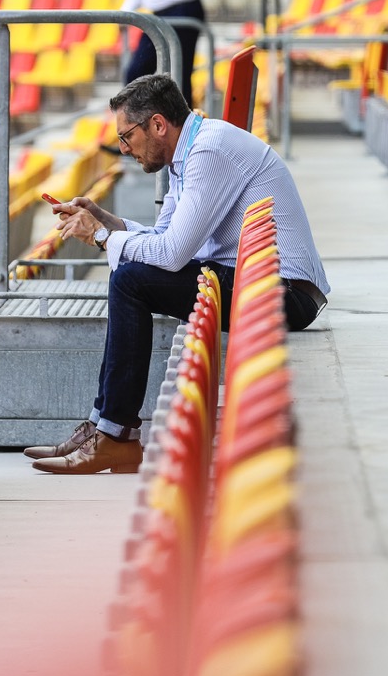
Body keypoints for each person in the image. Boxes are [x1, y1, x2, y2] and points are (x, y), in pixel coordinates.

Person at [25, 74, 330, 475]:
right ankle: (105, 426)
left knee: (130, 280)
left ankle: (114, 434)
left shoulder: (209, 152)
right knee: (132, 273)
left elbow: (170, 256)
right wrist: (108, 222)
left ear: (157, 125)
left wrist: (101, 238)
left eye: (127, 136)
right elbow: (164, 238)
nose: (122, 148)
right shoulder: (188, 154)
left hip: (285, 293)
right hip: (255, 279)